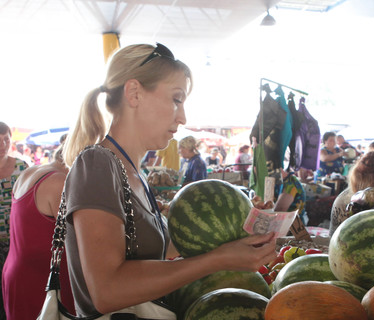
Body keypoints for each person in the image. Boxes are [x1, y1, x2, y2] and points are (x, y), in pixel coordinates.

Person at [61, 43, 276, 316]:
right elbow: (107, 290)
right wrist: (217, 259)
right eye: (176, 99)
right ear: (134, 93)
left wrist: (239, 231)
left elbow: (155, 253)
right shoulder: (97, 165)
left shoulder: (133, 172)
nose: (183, 116)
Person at [2, 139, 75, 319]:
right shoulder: (59, 182)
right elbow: (81, 240)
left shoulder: (30, 172)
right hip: (43, 281)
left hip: (18, 273)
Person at [0, 122, 29, 319]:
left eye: (6, 139)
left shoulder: (22, 167)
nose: (2, 144)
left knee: (14, 289)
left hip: (15, 240)